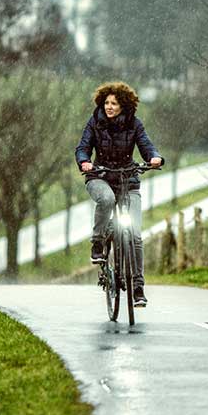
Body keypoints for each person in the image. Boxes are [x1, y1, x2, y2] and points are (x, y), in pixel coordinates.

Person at [75, 81, 163, 307]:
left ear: (123, 105)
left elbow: (146, 145)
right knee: (106, 199)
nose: (109, 107)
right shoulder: (95, 122)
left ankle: (138, 288)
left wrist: (154, 158)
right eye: (106, 103)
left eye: (114, 103)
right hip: (100, 177)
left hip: (127, 180)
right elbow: (83, 147)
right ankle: (97, 242)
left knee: (134, 234)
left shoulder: (135, 124)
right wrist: (84, 161)